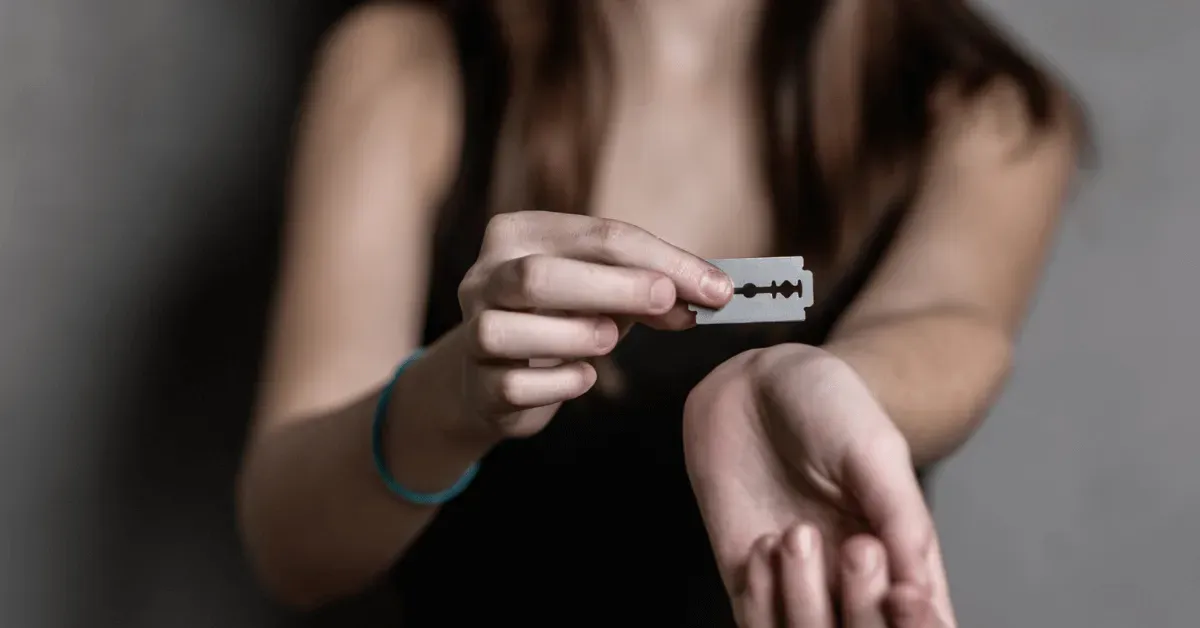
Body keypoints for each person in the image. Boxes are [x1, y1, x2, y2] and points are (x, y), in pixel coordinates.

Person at [235, 0, 1084, 625]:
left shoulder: (982, 107)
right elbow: (292, 547)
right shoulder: (404, 63)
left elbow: (950, 322)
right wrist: (453, 397)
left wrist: (820, 386)